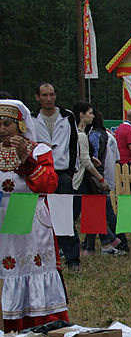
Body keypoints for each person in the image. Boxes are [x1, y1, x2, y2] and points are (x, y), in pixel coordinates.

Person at [0, 100, 69, 331]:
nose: (2, 129)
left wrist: (26, 160)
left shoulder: (40, 150)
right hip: (2, 219)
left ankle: (38, 319)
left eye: (7, 124)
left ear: (20, 125)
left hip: (29, 218)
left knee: (29, 265)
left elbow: (48, 184)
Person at [30, 83, 80, 270]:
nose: (48, 98)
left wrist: (71, 170)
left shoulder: (67, 117)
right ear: (38, 97)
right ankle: (42, 255)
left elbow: (74, 143)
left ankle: (72, 258)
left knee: (64, 216)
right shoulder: (32, 118)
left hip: (61, 172)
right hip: (40, 174)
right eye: (44, 95)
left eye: (51, 94)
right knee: (40, 216)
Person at [71, 102, 119, 256]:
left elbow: (81, 155)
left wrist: (91, 158)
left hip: (81, 179)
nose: (92, 116)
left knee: (90, 212)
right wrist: (100, 179)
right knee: (80, 214)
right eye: (90, 113)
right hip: (80, 181)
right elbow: (84, 160)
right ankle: (107, 240)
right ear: (81, 115)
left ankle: (102, 242)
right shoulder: (82, 136)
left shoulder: (76, 134)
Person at [83, 109, 129, 255]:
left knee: (101, 212)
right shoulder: (108, 135)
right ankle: (91, 245)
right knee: (96, 211)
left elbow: (93, 158)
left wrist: (99, 177)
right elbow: (116, 158)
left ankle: (114, 240)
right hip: (106, 176)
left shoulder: (94, 135)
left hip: (97, 177)